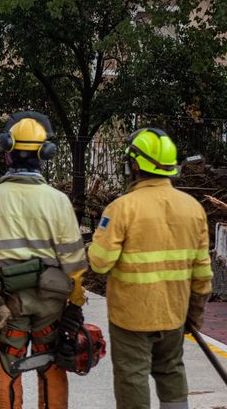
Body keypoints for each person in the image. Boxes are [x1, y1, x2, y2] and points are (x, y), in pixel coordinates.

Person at [0, 111, 87, 409]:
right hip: (51, 304)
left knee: (7, 371)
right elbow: (75, 262)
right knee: (52, 369)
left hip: (8, 303)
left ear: (7, 151)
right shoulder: (58, 201)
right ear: (45, 153)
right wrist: (75, 303)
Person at [88, 128, 212, 409]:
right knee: (171, 372)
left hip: (131, 320)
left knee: (132, 379)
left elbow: (99, 262)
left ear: (135, 165)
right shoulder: (193, 209)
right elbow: (203, 274)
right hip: (173, 316)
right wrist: (194, 314)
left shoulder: (122, 208)